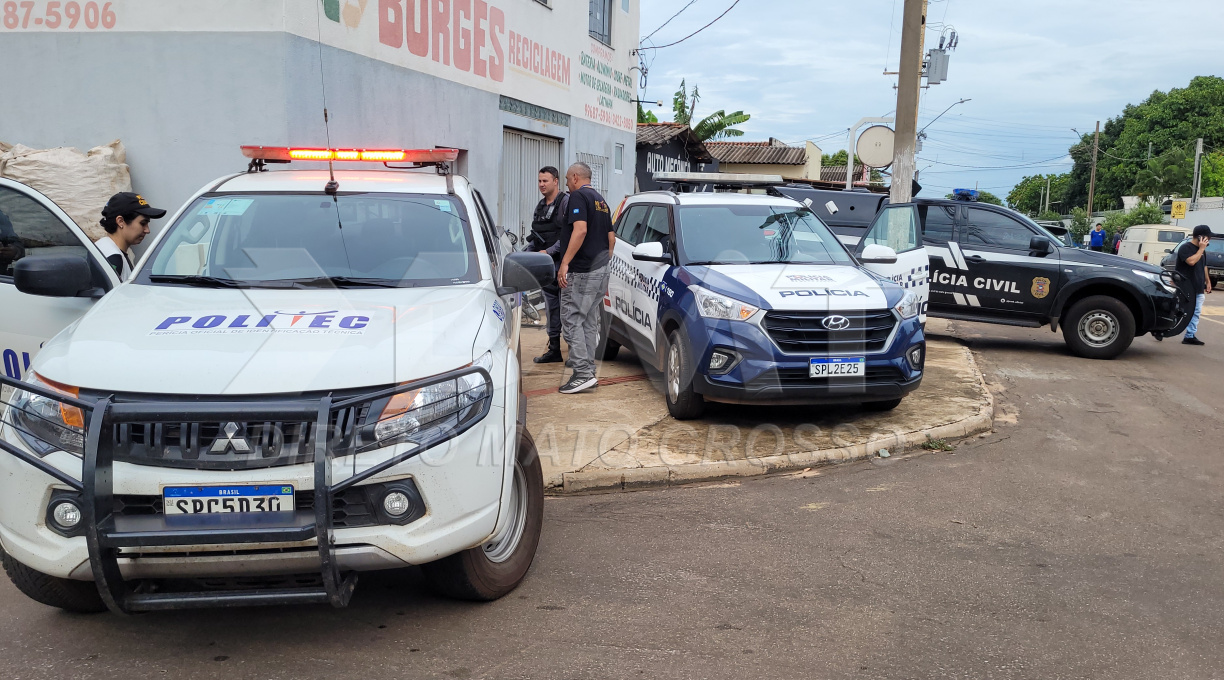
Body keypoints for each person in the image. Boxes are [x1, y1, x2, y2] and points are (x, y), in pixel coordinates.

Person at [556, 162, 615, 395]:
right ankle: (588, 370)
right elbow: (612, 240)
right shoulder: (602, 201)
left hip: (582, 271)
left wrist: (565, 263)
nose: (567, 185)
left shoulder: (579, 197)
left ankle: (581, 373)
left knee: (571, 321)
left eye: (567, 180)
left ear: (574, 177)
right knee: (589, 320)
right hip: (601, 272)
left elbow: (580, 230)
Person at [527, 166, 569, 364]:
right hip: (546, 267)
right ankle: (554, 349)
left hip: (563, 265)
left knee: (568, 309)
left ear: (556, 181)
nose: (542, 185)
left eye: (545, 181)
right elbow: (538, 234)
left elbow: (567, 235)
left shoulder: (565, 202)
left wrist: (549, 252)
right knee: (551, 308)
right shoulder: (541, 205)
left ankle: (576, 354)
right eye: (539, 181)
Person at [96, 192, 166, 278]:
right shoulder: (114, 258)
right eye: (143, 223)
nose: (147, 230)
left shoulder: (104, 248)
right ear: (120, 221)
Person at [1176, 225, 1214, 346]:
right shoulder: (1185, 248)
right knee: (1179, 311)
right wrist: (1201, 249)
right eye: (1208, 237)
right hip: (1185, 287)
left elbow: (1204, 266)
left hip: (1198, 287)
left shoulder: (1202, 251)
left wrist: (1208, 282)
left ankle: (1190, 335)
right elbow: (1191, 262)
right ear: (1200, 237)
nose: (1209, 240)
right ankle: (1161, 329)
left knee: (1196, 312)